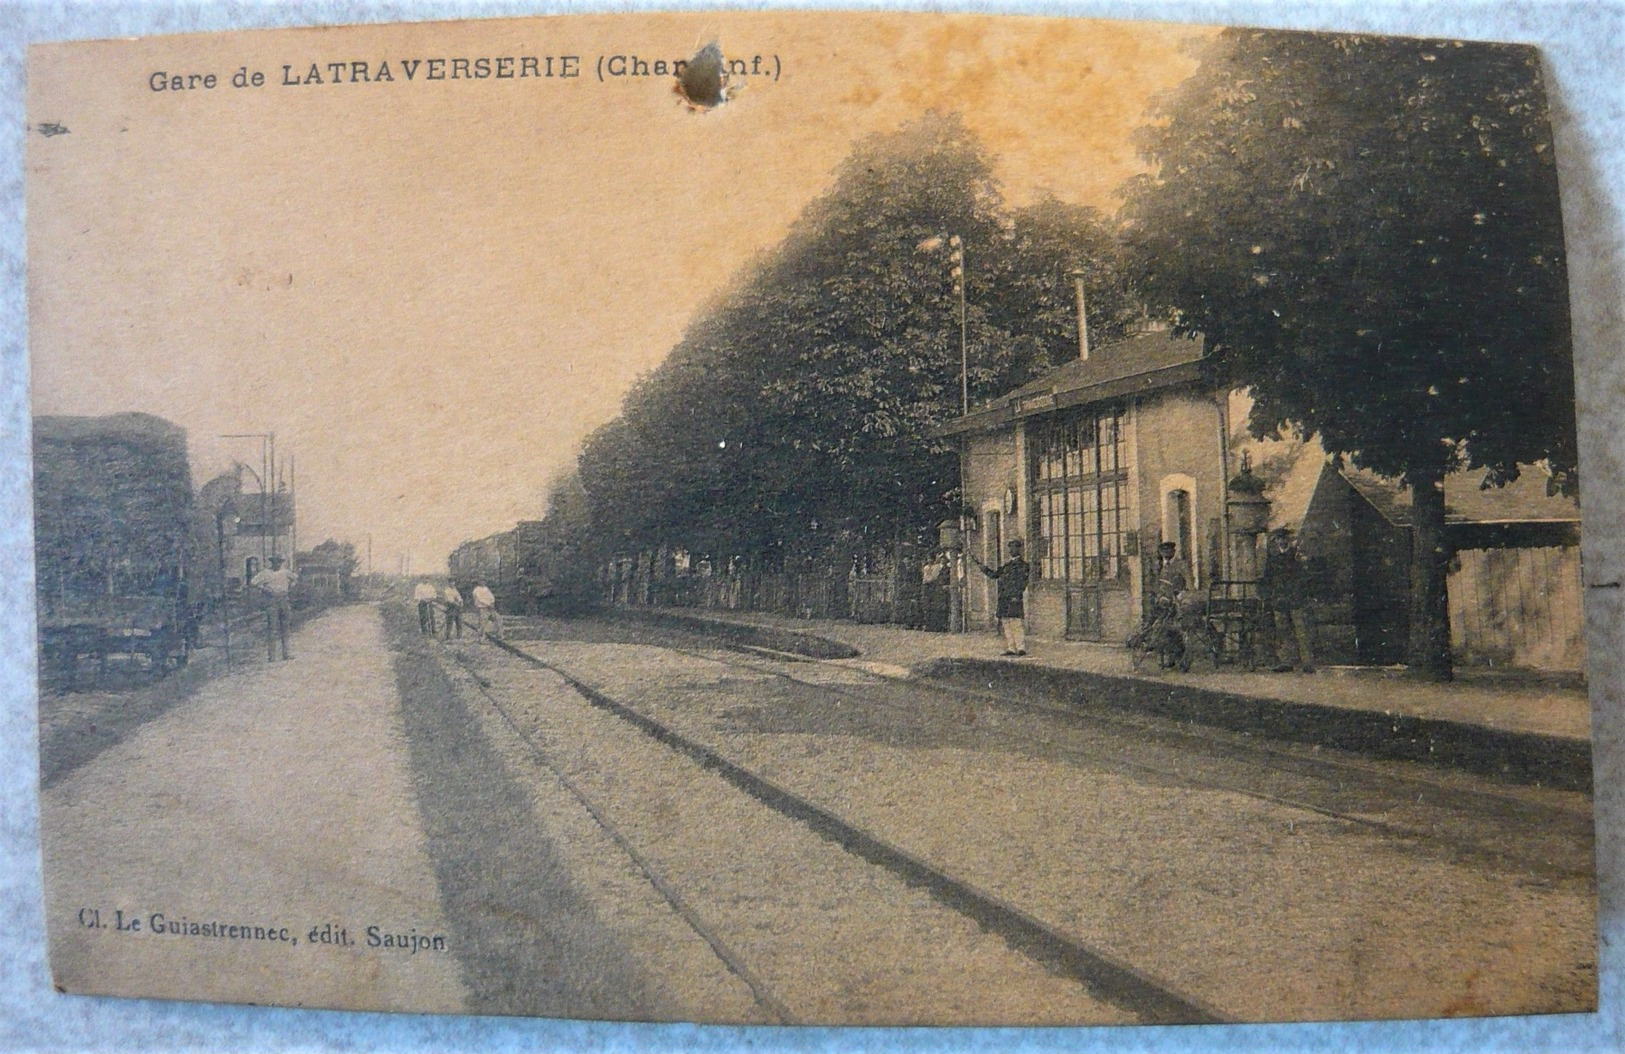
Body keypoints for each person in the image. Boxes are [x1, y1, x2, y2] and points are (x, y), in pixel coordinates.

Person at [1260, 526, 1316, 673]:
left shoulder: (1296, 557)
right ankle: (1288, 661)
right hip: (1279, 599)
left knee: (1301, 629)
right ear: (1276, 541)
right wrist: (1270, 596)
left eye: (1283, 538)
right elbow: (1267, 579)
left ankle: (1307, 662)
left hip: (1296, 598)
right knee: (1284, 630)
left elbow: (1304, 577)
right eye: (1278, 538)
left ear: (1288, 540)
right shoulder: (1273, 559)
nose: (1281, 541)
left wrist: (1300, 592)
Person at [974, 539, 1030, 656]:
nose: (1011, 550)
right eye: (1010, 548)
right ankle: (1011, 647)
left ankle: (1021, 647)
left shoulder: (1024, 566)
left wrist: (1016, 595)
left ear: (1019, 549)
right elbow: (995, 575)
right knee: (1006, 622)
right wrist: (985, 569)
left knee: (1016, 623)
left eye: (1014, 547)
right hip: (1004, 598)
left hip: (1014, 598)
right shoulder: (1007, 566)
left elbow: (1023, 582)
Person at [1152, 542, 1193, 669]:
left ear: (1173, 551)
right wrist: (1160, 597)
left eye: (1168, 551)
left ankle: (1180, 657)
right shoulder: (1162, 567)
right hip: (1165, 602)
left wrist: (1183, 595)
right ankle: (1169, 657)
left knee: (1176, 628)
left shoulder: (1181, 564)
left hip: (1178, 601)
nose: (1166, 553)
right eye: (1163, 551)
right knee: (1163, 628)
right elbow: (1160, 586)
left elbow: (1190, 582)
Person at [251, 554, 296, 661]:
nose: (278, 564)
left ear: (282, 562)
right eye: (276, 562)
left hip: (284, 599)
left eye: (280, 562)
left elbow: (295, 578)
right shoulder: (266, 573)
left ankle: (286, 654)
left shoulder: (285, 571)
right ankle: (272, 656)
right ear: (272, 562)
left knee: (285, 627)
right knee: (272, 628)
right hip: (272, 601)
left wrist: (290, 586)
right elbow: (253, 582)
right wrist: (264, 589)